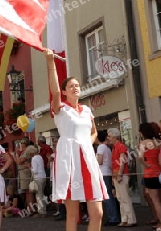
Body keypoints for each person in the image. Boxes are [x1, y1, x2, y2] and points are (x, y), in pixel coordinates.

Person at [45, 49, 106, 231]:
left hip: (87, 158)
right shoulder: (61, 109)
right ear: (64, 91)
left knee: (97, 213)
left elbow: (94, 132)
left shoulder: (87, 110)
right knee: (73, 215)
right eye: (70, 86)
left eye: (77, 85)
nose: (75, 87)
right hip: (68, 159)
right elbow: (54, 92)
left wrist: (87, 142)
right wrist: (50, 63)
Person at [138, 122, 161, 230]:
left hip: (149, 173)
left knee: (155, 201)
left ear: (142, 132)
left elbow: (140, 157)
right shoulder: (158, 142)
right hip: (160, 172)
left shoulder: (143, 143)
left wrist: (146, 165)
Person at [107, 128, 137, 227]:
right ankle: (125, 219)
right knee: (120, 197)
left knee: (124, 197)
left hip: (121, 174)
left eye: (110, 136)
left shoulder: (120, 146)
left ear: (115, 137)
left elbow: (122, 161)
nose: (109, 138)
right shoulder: (115, 147)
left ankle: (130, 219)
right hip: (117, 174)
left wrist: (119, 174)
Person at [96, 131, 120, 226]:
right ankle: (114, 216)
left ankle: (113, 218)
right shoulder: (107, 148)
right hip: (107, 172)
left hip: (103, 173)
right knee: (109, 195)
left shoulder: (101, 147)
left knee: (107, 196)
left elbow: (100, 161)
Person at [29, 145, 47, 218]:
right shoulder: (40, 157)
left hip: (38, 178)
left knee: (39, 196)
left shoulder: (34, 159)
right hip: (43, 176)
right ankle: (43, 209)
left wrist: (30, 168)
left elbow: (35, 171)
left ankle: (41, 211)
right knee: (41, 194)